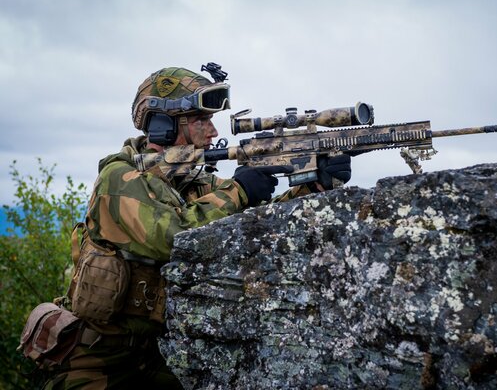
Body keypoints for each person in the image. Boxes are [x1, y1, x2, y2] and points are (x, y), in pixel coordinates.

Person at [20, 66, 351, 389]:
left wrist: (315, 186)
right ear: (163, 124)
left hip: (161, 352)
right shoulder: (118, 180)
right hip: (97, 356)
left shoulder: (194, 182)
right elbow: (173, 238)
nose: (213, 131)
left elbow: (255, 227)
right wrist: (238, 190)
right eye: (201, 120)